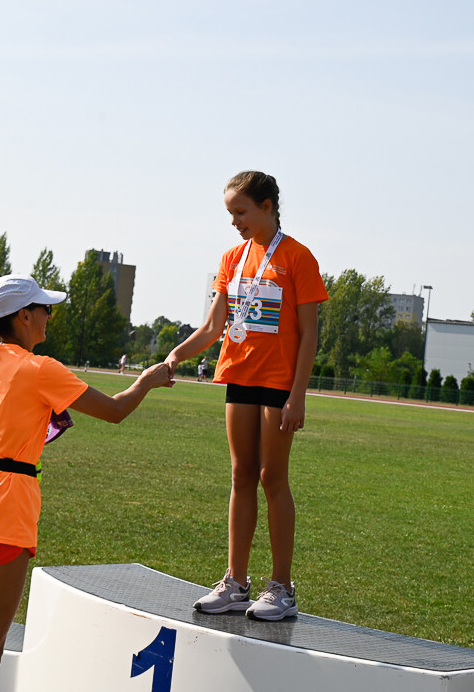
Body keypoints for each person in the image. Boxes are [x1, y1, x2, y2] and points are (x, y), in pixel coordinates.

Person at [0, 274, 172, 692]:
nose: (48, 316)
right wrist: (146, 380)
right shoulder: (40, 368)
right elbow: (113, 411)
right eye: (44, 309)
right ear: (23, 316)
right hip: (1, 514)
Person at [165, 171, 328, 621]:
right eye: (230, 213)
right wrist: (176, 355)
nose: (235, 221)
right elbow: (214, 326)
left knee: (271, 478)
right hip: (239, 376)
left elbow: (310, 334)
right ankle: (236, 582)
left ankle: (282, 587)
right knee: (241, 476)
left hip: (279, 385)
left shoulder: (298, 257)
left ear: (268, 206)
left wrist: (298, 396)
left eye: (241, 212)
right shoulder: (232, 258)